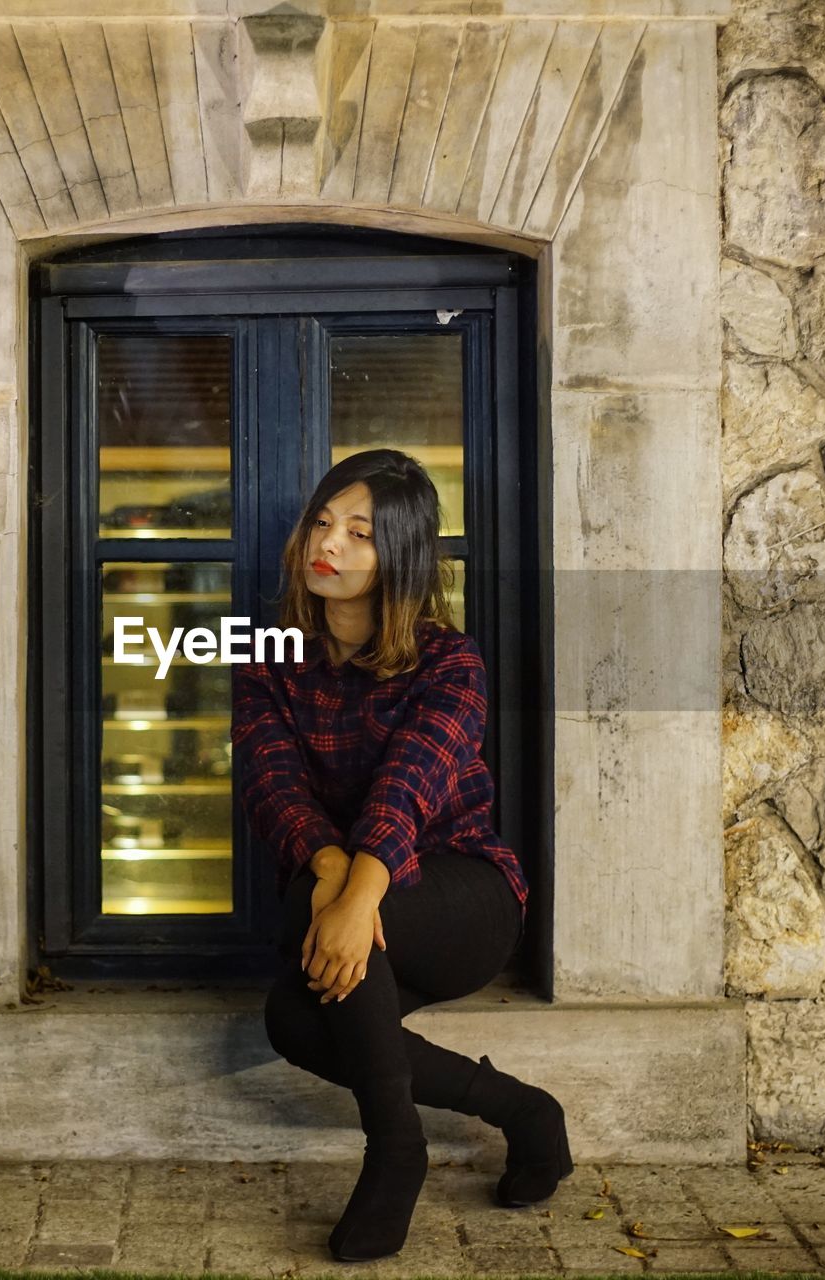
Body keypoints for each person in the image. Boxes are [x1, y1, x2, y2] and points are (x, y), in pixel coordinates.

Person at [230, 449, 571, 1264]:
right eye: (322, 522)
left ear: (401, 556)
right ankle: (525, 1110)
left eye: (359, 533)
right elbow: (272, 785)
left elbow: (406, 791)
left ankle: (395, 1151)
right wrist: (329, 873)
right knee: (293, 1018)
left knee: (346, 939)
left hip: (463, 893)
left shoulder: (450, 661)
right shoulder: (266, 652)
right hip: (345, 882)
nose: (330, 545)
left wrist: (354, 895)